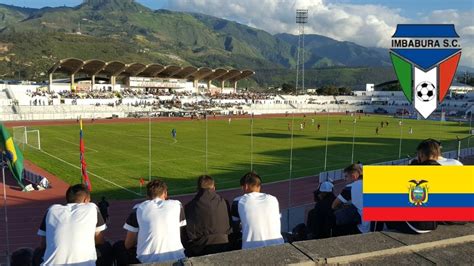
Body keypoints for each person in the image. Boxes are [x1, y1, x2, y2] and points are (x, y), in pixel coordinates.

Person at [34, 184, 111, 266]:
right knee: (106, 246)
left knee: (37, 252)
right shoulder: (92, 207)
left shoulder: (51, 210)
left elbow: (43, 244)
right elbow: (99, 240)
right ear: (86, 200)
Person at [114, 179, 186, 264]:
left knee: (118, 247)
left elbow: (128, 244)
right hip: (177, 258)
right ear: (165, 193)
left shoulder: (138, 209)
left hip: (146, 260)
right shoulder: (177, 205)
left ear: (147, 196)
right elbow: (180, 232)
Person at [231, 172, 284, 249]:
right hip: (279, 246)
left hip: (252, 249)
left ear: (245, 186)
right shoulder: (273, 199)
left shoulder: (237, 201)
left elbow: (235, 227)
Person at [183, 175, 231, 257]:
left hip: (202, 248)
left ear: (198, 189)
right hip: (224, 245)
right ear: (214, 187)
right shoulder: (224, 202)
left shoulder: (189, 206)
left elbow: (189, 232)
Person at [331, 164, 370, 235]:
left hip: (364, 228)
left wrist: (344, 206)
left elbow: (334, 205)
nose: (344, 179)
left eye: (346, 176)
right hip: (379, 227)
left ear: (353, 176)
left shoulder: (350, 188)